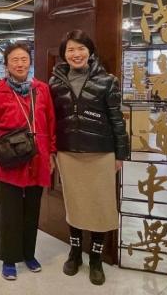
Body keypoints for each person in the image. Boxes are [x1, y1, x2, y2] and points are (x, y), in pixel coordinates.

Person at [49, 30, 128, 286]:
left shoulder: (107, 81)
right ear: (64, 54)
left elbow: (117, 119)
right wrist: (51, 151)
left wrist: (121, 154)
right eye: (71, 49)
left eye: (81, 48)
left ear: (90, 51)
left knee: (100, 205)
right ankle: (75, 252)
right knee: (74, 204)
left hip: (101, 152)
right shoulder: (54, 83)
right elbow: (51, 120)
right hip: (68, 152)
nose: (76, 54)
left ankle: (95, 258)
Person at [0, 42, 56, 281]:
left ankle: (28, 254)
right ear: (6, 65)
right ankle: (9, 258)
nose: (20, 64)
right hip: (8, 157)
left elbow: (51, 122)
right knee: (9, 211)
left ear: (30, 62)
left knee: (32, 209)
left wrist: (52, 153)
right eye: (14, 60)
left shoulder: (42, 89)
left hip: (37, 156)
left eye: (24, 59)